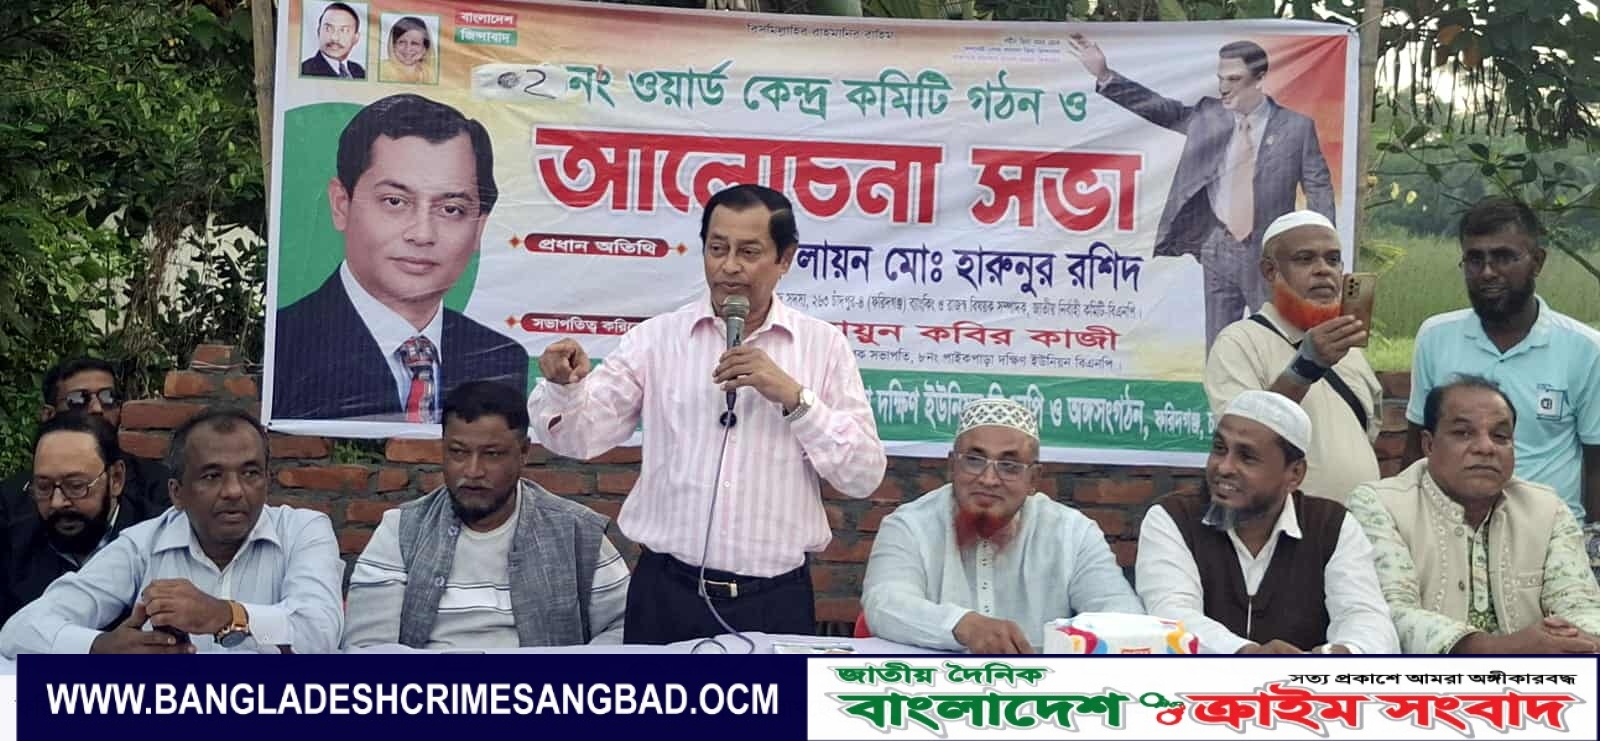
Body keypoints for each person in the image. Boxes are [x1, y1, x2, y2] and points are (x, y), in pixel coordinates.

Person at [527, 183, 887, 644]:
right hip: (667, 594)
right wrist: (565, 388)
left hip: (774, 600)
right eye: (717, 249)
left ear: (785, 259)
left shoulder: (822, 347)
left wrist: (795, 398)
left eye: (749, 252)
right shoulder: (656, 340)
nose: (729, 266)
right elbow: (578, 439)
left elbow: (863, 476)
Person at [0, 408, 345, 656]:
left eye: (250, 473)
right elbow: (20, 630)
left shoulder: (303, 531)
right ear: (177, 492)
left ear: (267, 481)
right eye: (212, 476)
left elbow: (320, 632)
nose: (234, 491)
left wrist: (226, 615)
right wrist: (99, 646)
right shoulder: (143, 544)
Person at [1066, 33, 1335, 350]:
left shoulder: (1296, 127)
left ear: (1260, 78)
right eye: (1221, 79)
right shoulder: (1209, 114)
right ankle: (1220, 385)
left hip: (1270, 253)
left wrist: (1321, 252)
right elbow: (1161, 110)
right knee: (1220, 348)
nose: (1224, 88)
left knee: (1279, 344)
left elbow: (1318, 187)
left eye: (1234, 79)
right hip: (1217, 247)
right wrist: (1104, 75)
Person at [272, 93, 529, 422]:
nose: (422, 234)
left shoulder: (501, 360)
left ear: (479, 227)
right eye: (395, 202)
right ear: (341, 205)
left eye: (451, 209)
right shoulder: (284, 345)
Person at [344, 381, 628, 649]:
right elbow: (368, 646)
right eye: (458, 452)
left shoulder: (576, 532)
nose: (473, 471)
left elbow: (624, 628)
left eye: (492, 454)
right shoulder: (401, 531)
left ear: (523, 452)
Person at [862, 398, 1141, 654]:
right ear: (952, 466)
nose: (989, 479)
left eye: (1009, 466)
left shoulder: (1073, 534)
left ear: (1034, 479)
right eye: (974, 461)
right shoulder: (909, 526)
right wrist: (962, 625)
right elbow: (883, 604)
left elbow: (1125, 618)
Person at [1402, 197, 1600, 556]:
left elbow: (1596, 464)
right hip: (1449, 537)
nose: (1488, 272)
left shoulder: (1585, 349)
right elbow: (1417, 446)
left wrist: (1592, 546)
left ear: (1537, 261)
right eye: (1475, 259)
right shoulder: (1436, 337)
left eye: (1504, 257)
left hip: (1549, 541)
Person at [1348, 377, 1600, 654]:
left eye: (1500, 436)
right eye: (1463, 433)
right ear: (1428, 445)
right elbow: (1388, 613)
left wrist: (1579, 640)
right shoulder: (1379, 505)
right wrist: (1503, 649)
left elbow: (1580, 603)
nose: (1486, 447)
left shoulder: (1547, 510)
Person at [1136, 390, 1398, 654]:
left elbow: (1366, 618)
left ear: (1294, 474)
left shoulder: (1331, 526)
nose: (1224, 467)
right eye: (1220, 449)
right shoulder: (1173, 518)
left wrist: (1343, 654)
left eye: (1247, 457)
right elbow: (1172, 615)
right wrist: (1248, 654)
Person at [1204, 211, 1380, 502]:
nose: (1323, 270)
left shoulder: (1347, 348)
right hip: (1290, 523)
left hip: (1359, 522)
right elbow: (1244, 437)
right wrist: (1306, 367)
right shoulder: (1239, 342)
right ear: (1270, 271)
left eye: (1333, 259)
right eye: (1305, 259)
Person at [1, 414, 170, 624]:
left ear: (116, 479)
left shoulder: (162, 541)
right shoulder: (11, 547)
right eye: (43, 487)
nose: (57, 502)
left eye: (76, 486)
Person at [0, 357, 170, 522]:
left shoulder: (158, 488)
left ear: (117, 478)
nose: (97, 408)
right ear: (49, 414)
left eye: (108, 397)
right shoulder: (11, 501)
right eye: (78, 399)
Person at [300, 2, 366, 79]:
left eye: (344, 30)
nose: (334, 38)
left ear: (356, 38)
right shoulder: (304, 71)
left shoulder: (359, 71)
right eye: (328, 29)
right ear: (318, 31)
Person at [379, 16, 434, 85]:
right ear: (393, 45)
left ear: (424, 49)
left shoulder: (431, 74)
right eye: (402, 42)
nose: (407, 49)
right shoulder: (380, 69)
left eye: (414, 43)